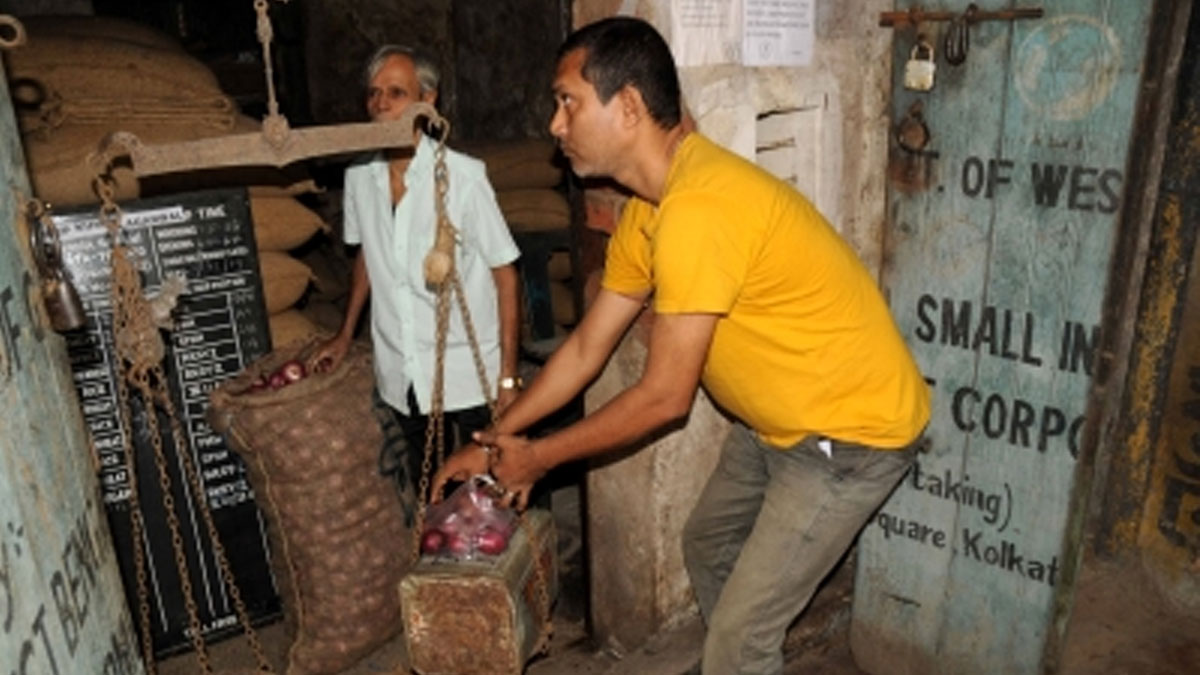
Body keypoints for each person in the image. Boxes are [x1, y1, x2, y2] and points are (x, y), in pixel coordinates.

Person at [432, 16, 930, 675]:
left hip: (849, 436)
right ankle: (748, 652)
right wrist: (498, 438)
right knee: (708, 545)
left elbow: (665, 398)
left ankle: (743, 650)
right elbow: (587, 348)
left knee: (736, 638)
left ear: (629, 106)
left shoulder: (701, 207)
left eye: (567, 101)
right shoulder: (649, 207)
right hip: (779, 422)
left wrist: (538, 458)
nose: (555, 124)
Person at [311, 45, 523, 523]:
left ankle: (501, 581)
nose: (381, 103)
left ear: (427, 99)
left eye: (396, 92)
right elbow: (368, 252)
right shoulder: (359, 176)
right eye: (373, 94)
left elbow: (505, 273)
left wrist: (508, 378)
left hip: (468, 365)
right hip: (401, 364)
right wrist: (346, 334)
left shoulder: (463, 178)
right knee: (425, 483)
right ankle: (439, 574)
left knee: (491, 488)